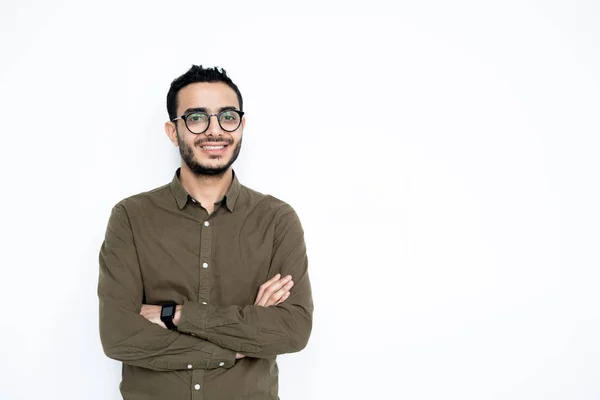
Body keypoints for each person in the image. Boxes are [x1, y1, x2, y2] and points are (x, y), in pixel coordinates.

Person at [98, 65, 313, 400]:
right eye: (197, 117)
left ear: (241, 125)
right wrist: (238, 343)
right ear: (173, 131)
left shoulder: (276, 220)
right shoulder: (131, 217)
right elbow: (119, 336)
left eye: (227, 116)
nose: (215, 131)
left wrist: (177, 315)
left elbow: (292, 331)